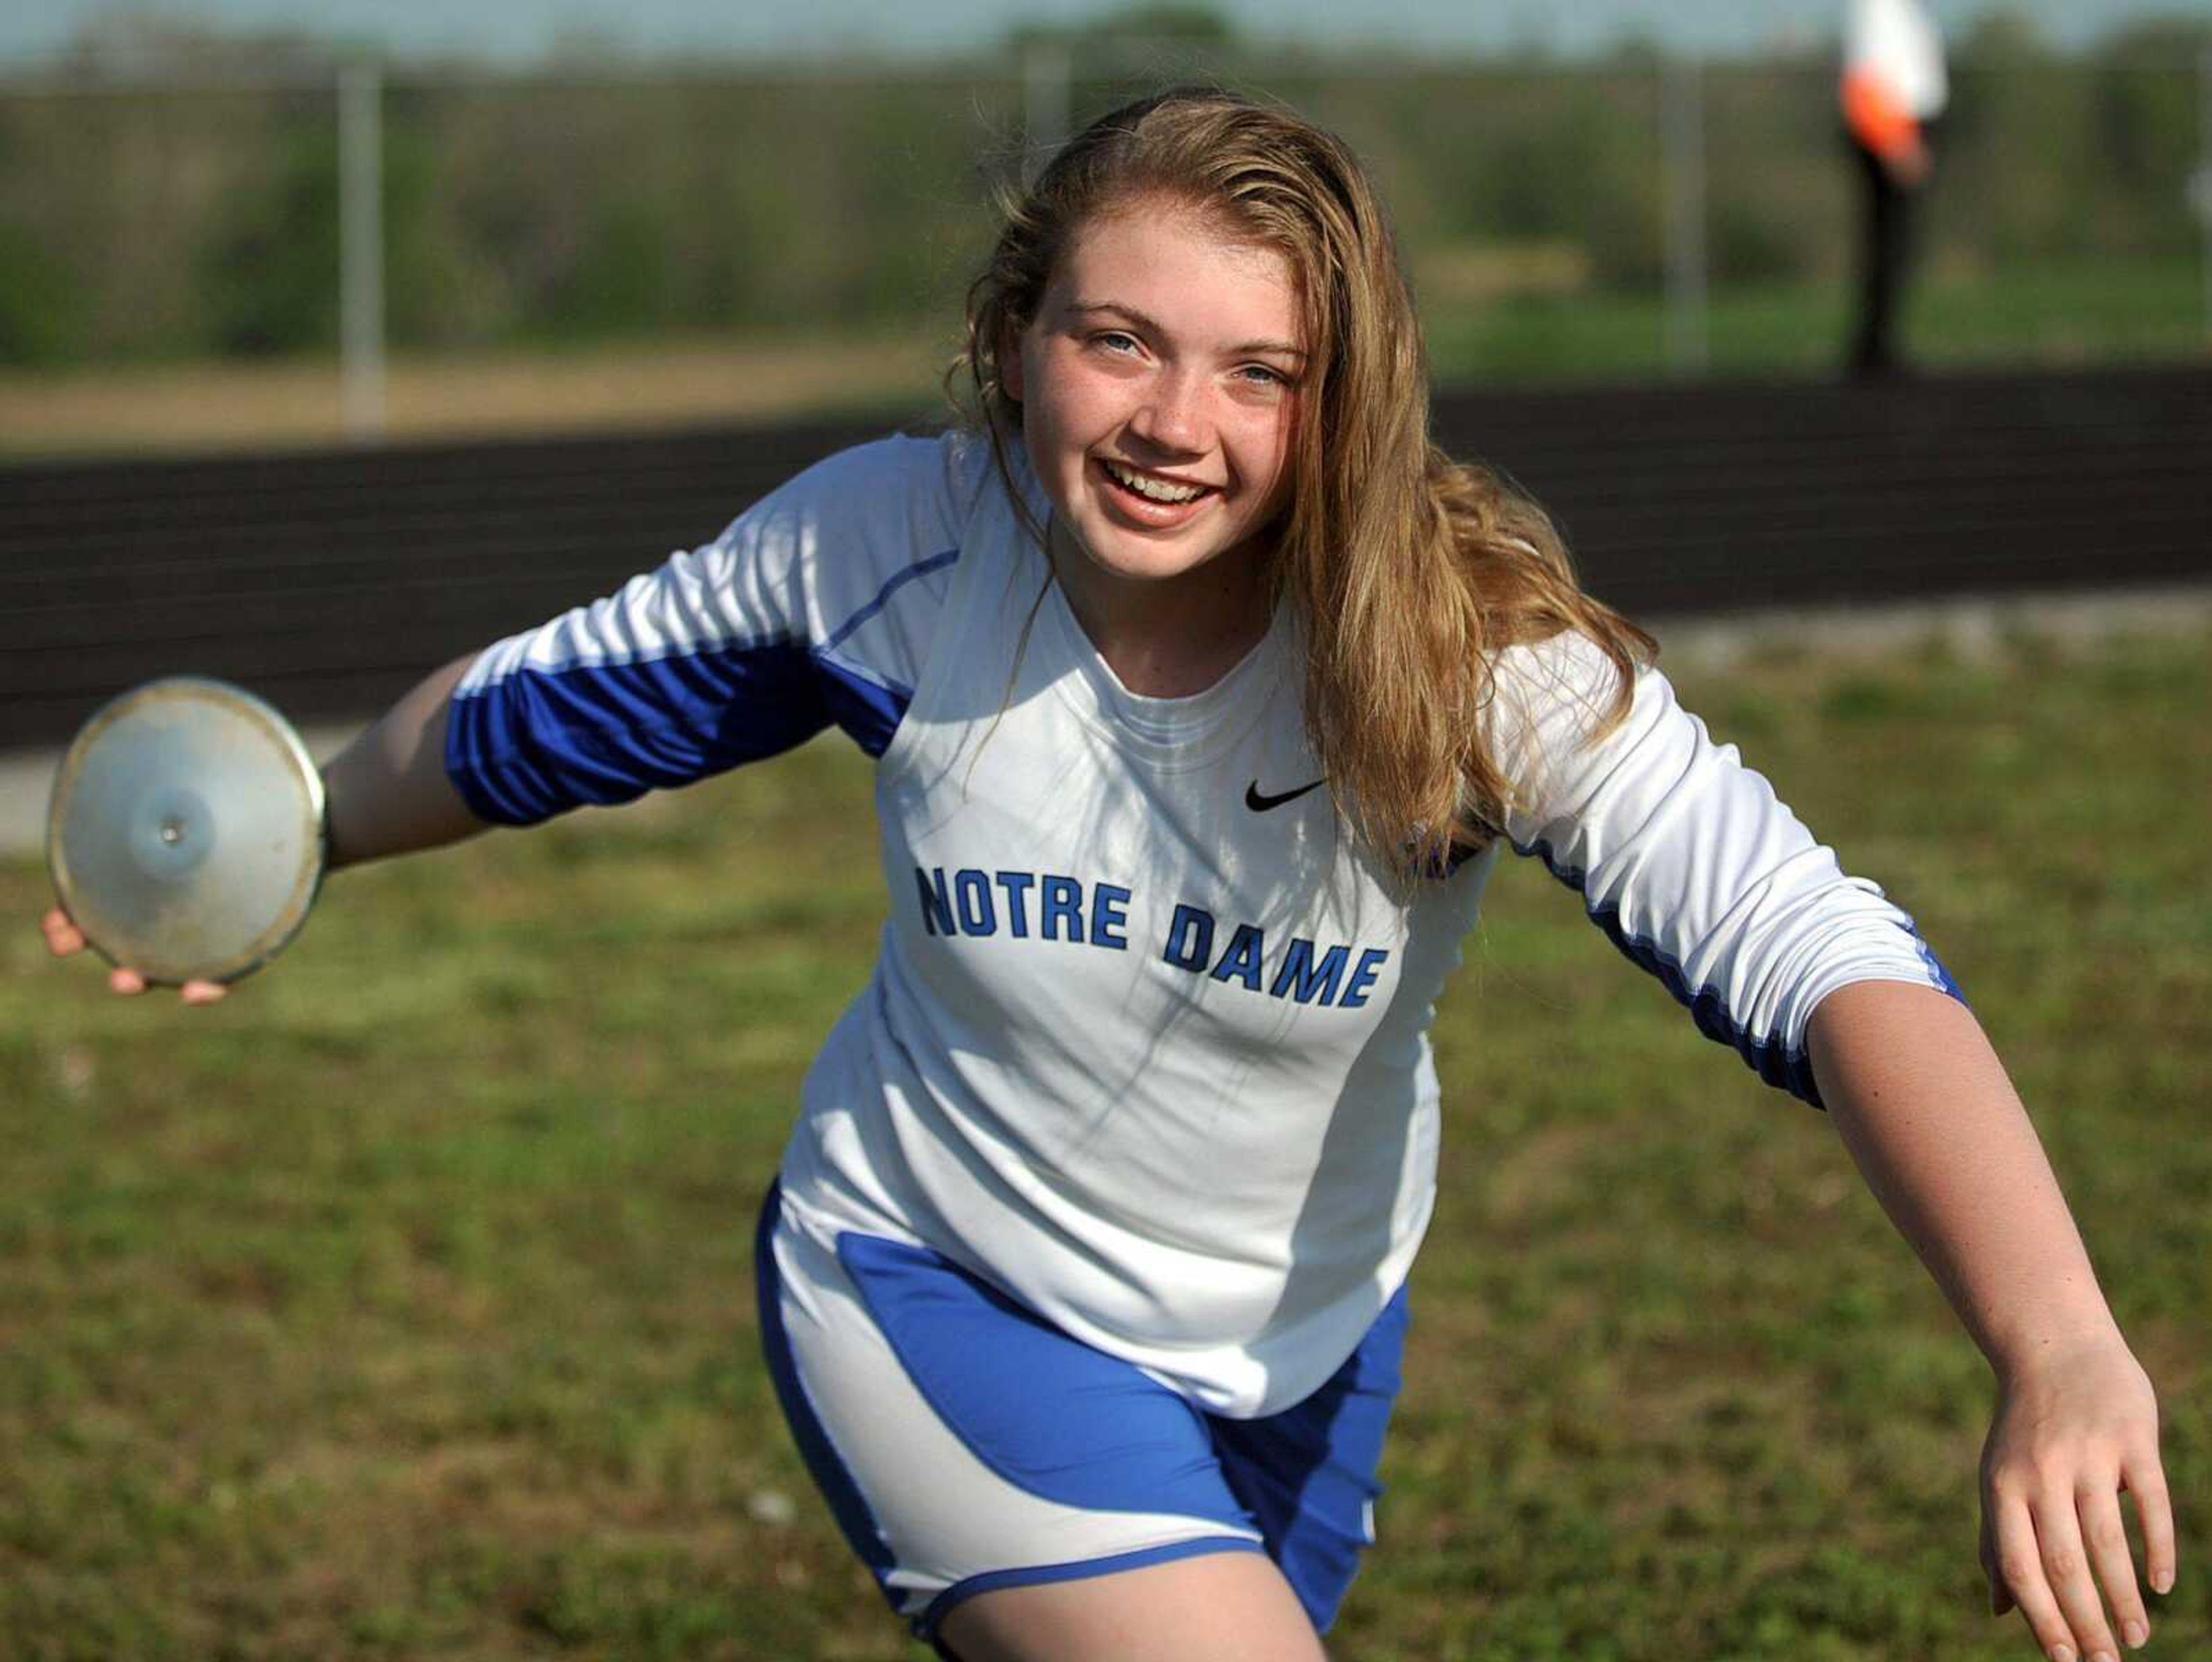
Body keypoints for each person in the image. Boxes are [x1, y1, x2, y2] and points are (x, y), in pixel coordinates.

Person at [45, 89, 2173, 1662]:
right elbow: (527, 722)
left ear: (1346, 404)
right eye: (1118, 341)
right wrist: (283, 839)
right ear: (1012, 337)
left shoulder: (1462, 651)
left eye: (1263, 370)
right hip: (932, 1290)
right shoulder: (892, 544)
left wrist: (2058, 1335)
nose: (1179, 421)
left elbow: (1815, 953)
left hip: (1303, 1368)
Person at [1840, 0, 1948, 377]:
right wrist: (1897, 142)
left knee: (1894, 243)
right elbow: (1868, 81)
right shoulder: (1880, 7)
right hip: (1891, 131)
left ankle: (1879, 343)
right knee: (1889, 242)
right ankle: (1875, 347)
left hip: (1900, 128)